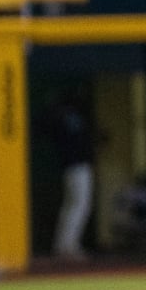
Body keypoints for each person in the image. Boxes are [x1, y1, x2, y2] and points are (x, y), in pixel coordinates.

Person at [46, 88, 96, 261]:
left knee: (73, 205)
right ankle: (67, 246)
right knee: (79, 205)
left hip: (72, 167)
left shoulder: (66, 118)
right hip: (77, 167)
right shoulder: (69, 119)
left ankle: (64, 244)